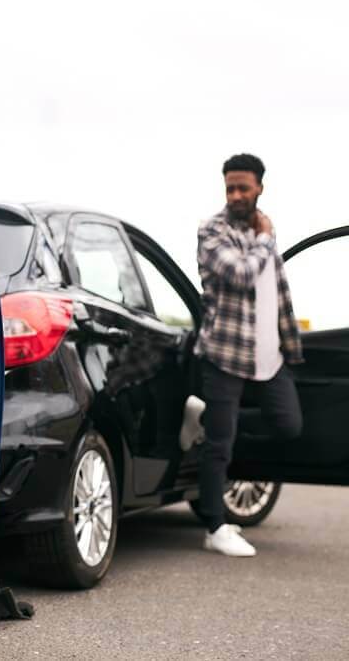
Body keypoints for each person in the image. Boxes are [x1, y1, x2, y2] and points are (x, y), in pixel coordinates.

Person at [190, 152, 303, 557]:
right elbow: (239, 275)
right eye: (230, 188)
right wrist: (265, 240)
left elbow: (278, 292)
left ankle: (210, 427)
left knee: (289, 424)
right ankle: (214, 526)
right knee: (220, 444)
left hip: (269, 358)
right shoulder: (213, 231)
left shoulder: (262, 231)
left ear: (260, 187)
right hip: (224, 353)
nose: (236, 194)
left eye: (244, 187)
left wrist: (291, 346)